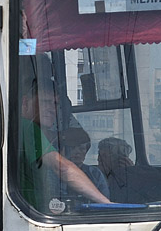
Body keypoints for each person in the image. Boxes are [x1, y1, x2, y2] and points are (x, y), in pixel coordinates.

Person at [18, 71, 111, 207]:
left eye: (55, 104)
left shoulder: (25, 127)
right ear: (25, 102)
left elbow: (83, 137)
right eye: (45, 102)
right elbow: (63, 168)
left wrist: (57, 136)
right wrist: (107, 204)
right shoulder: (26, 127)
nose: (52, 109)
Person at [59, 126, 110, 199]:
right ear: (62, 150)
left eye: (81, 148)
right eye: (72, 148)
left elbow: (105, 201)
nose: (77, 152)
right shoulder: (52, 173)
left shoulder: (95, 174)